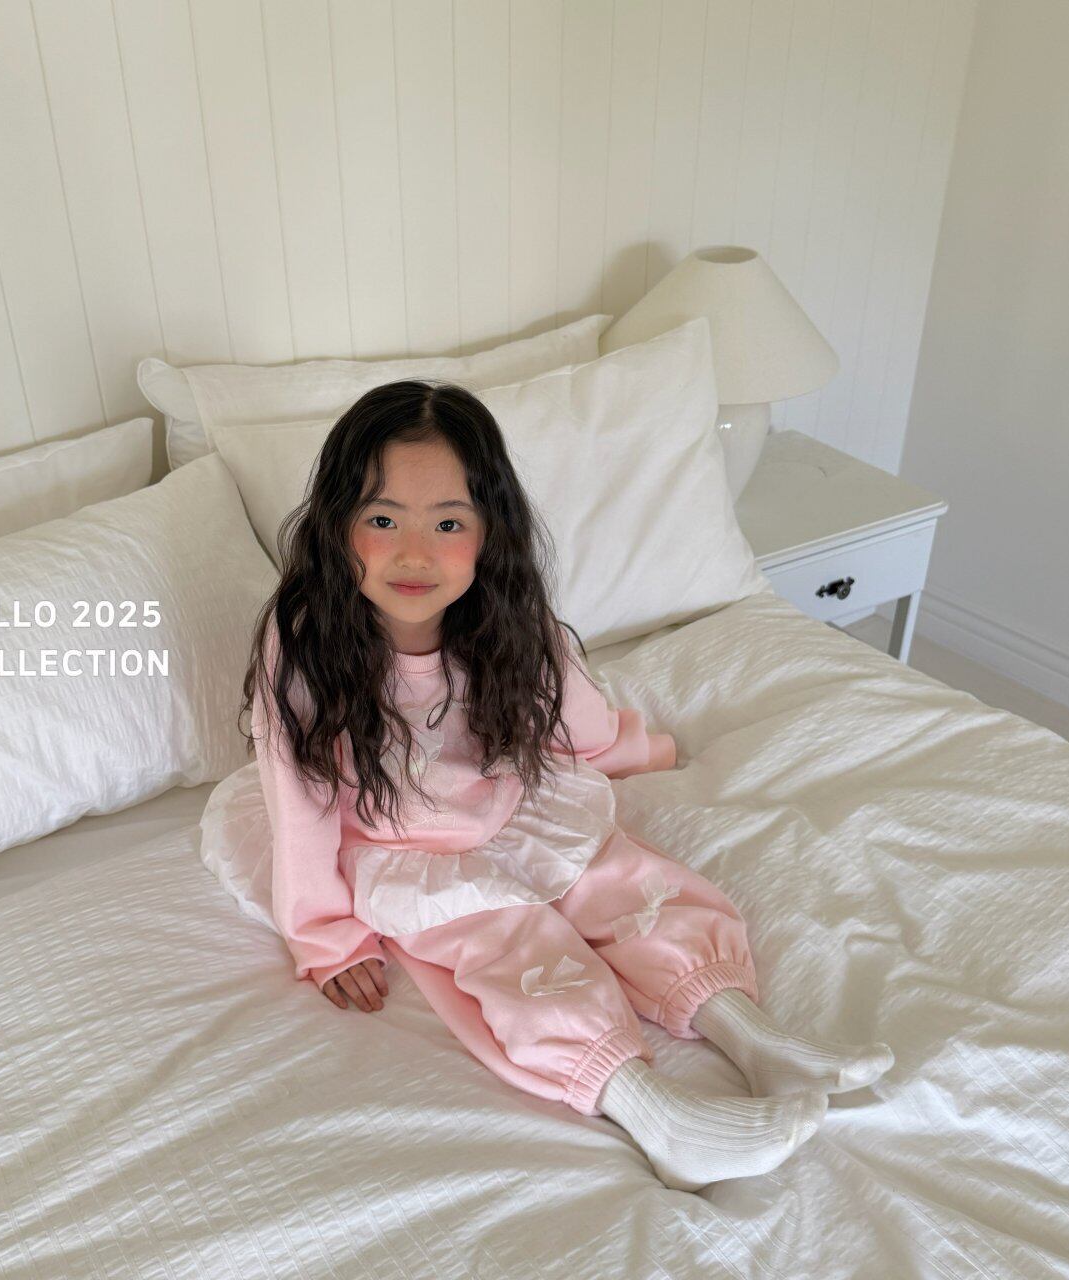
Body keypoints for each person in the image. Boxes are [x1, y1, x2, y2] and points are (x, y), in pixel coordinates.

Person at [236, 379, 893, 1192]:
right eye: (382, 520)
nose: (415, 553)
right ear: (338, 526)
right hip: (408, 845)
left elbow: (563, 699)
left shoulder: (505, 611)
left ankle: (753, 1036)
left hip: (510, 802)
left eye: (449, 524)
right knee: (516, 950)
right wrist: (326, 936)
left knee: (627, 883)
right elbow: (298, 800)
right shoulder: (303, 645)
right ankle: (657, 1113)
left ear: (489, 532)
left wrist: (621, 748)